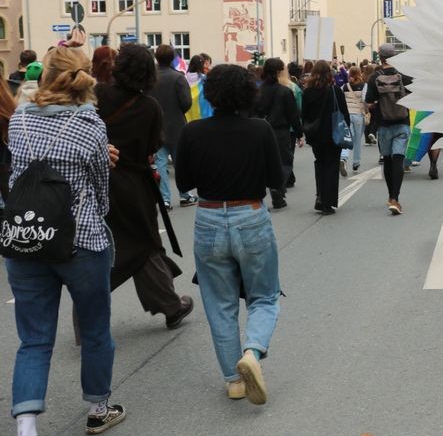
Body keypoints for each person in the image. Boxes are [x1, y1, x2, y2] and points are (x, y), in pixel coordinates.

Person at [5, 46, 127, 435]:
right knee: (94, 329)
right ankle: (98, 409)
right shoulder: (90, 124)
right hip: (80, 241)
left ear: (45, 77)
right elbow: (100, 187)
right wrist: (99, 204)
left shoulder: (20, 118)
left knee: (34, 337)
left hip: (26, 239)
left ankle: (26, 424)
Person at [174, 64, 284, 405]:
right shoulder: (260, 129)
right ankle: (252, 352)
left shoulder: (193, 132)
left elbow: (183, 183)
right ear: (247, 92)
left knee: (219, 305)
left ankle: (233, 381)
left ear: (210, 93)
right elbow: (276, 179)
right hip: (249, 214)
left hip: (207, 218)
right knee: (264, 296)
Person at [96, 44, 192, 330]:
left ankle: (169, 303)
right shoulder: (148, 106)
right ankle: (170, 305)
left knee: (116, 244)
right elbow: (153, 146)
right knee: (142, 243)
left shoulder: (99, 94)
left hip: (99, 179)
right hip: (133, 183)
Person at [364, 44, 410, 215]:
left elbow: (369, 102)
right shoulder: (403, 76)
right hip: (402, 122)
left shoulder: (374, 77)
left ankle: (391, 196)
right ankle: (395, 198)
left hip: (383, 124)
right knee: (399, 159)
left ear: (380, 57)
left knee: (388, 160)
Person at [301, 60, 349, 215]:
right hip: (333, 134)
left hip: (315, 135)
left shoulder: (308, 92)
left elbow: (304, 114)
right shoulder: (335, 90)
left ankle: (320, 197)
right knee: (331, 166)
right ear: (329, 73)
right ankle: (327, 202)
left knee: (320, 164)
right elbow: (344, 114)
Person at [148, 44, 193, 209]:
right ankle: (185, 195)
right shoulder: (178, 77)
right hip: (176, 125)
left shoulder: (151, 78)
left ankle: (165, 199)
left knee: (160, 162)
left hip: (157, 126)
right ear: (173, 58)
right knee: (180, 162)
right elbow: (186, 102)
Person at [254, 58, 301, 209]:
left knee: (262, 163)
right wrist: (299, 133)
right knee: (284, 162)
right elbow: (293, 115)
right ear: (279, 72)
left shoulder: (257, 91)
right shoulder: (285, 92)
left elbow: (252, 112)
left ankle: (260, 195)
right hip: (280, 131)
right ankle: (277, 190)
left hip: (260, 130)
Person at [339, 65, 366, 176]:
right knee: (357, 140)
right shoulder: (364, 85)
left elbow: (340, 99)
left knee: (348, 138)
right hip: (359, 115)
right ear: (360, 73)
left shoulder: (344, 86)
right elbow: (365, 99)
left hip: (347, 115)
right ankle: (356, 163)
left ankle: (344, 158)